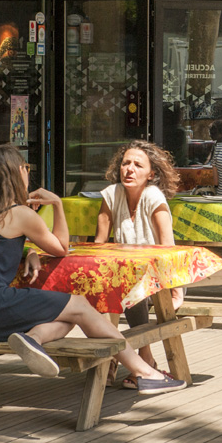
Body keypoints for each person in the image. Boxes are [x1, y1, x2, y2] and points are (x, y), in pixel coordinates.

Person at [0, 144, 184, 394]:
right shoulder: (21, 214)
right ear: (18, 173)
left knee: (67, 312)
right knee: (79, 305)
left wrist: (29, 251)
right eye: (26, 168)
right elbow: (61, 248)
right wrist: (57, 204)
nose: (28, 173)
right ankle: (146, 373)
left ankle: (32, 339)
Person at [95, 140, 185, 388]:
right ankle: (133, 362)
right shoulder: (111, 195)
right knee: (108, 288)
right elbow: (99, 246)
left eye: (137, 165)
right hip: (126, 277)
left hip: (162, 277)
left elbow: (169, 251)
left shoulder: (153, 196)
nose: (129, 169)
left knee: (126, 288)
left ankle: (127, 361)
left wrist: (177, 294)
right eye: (125, 163)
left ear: (151, 173)